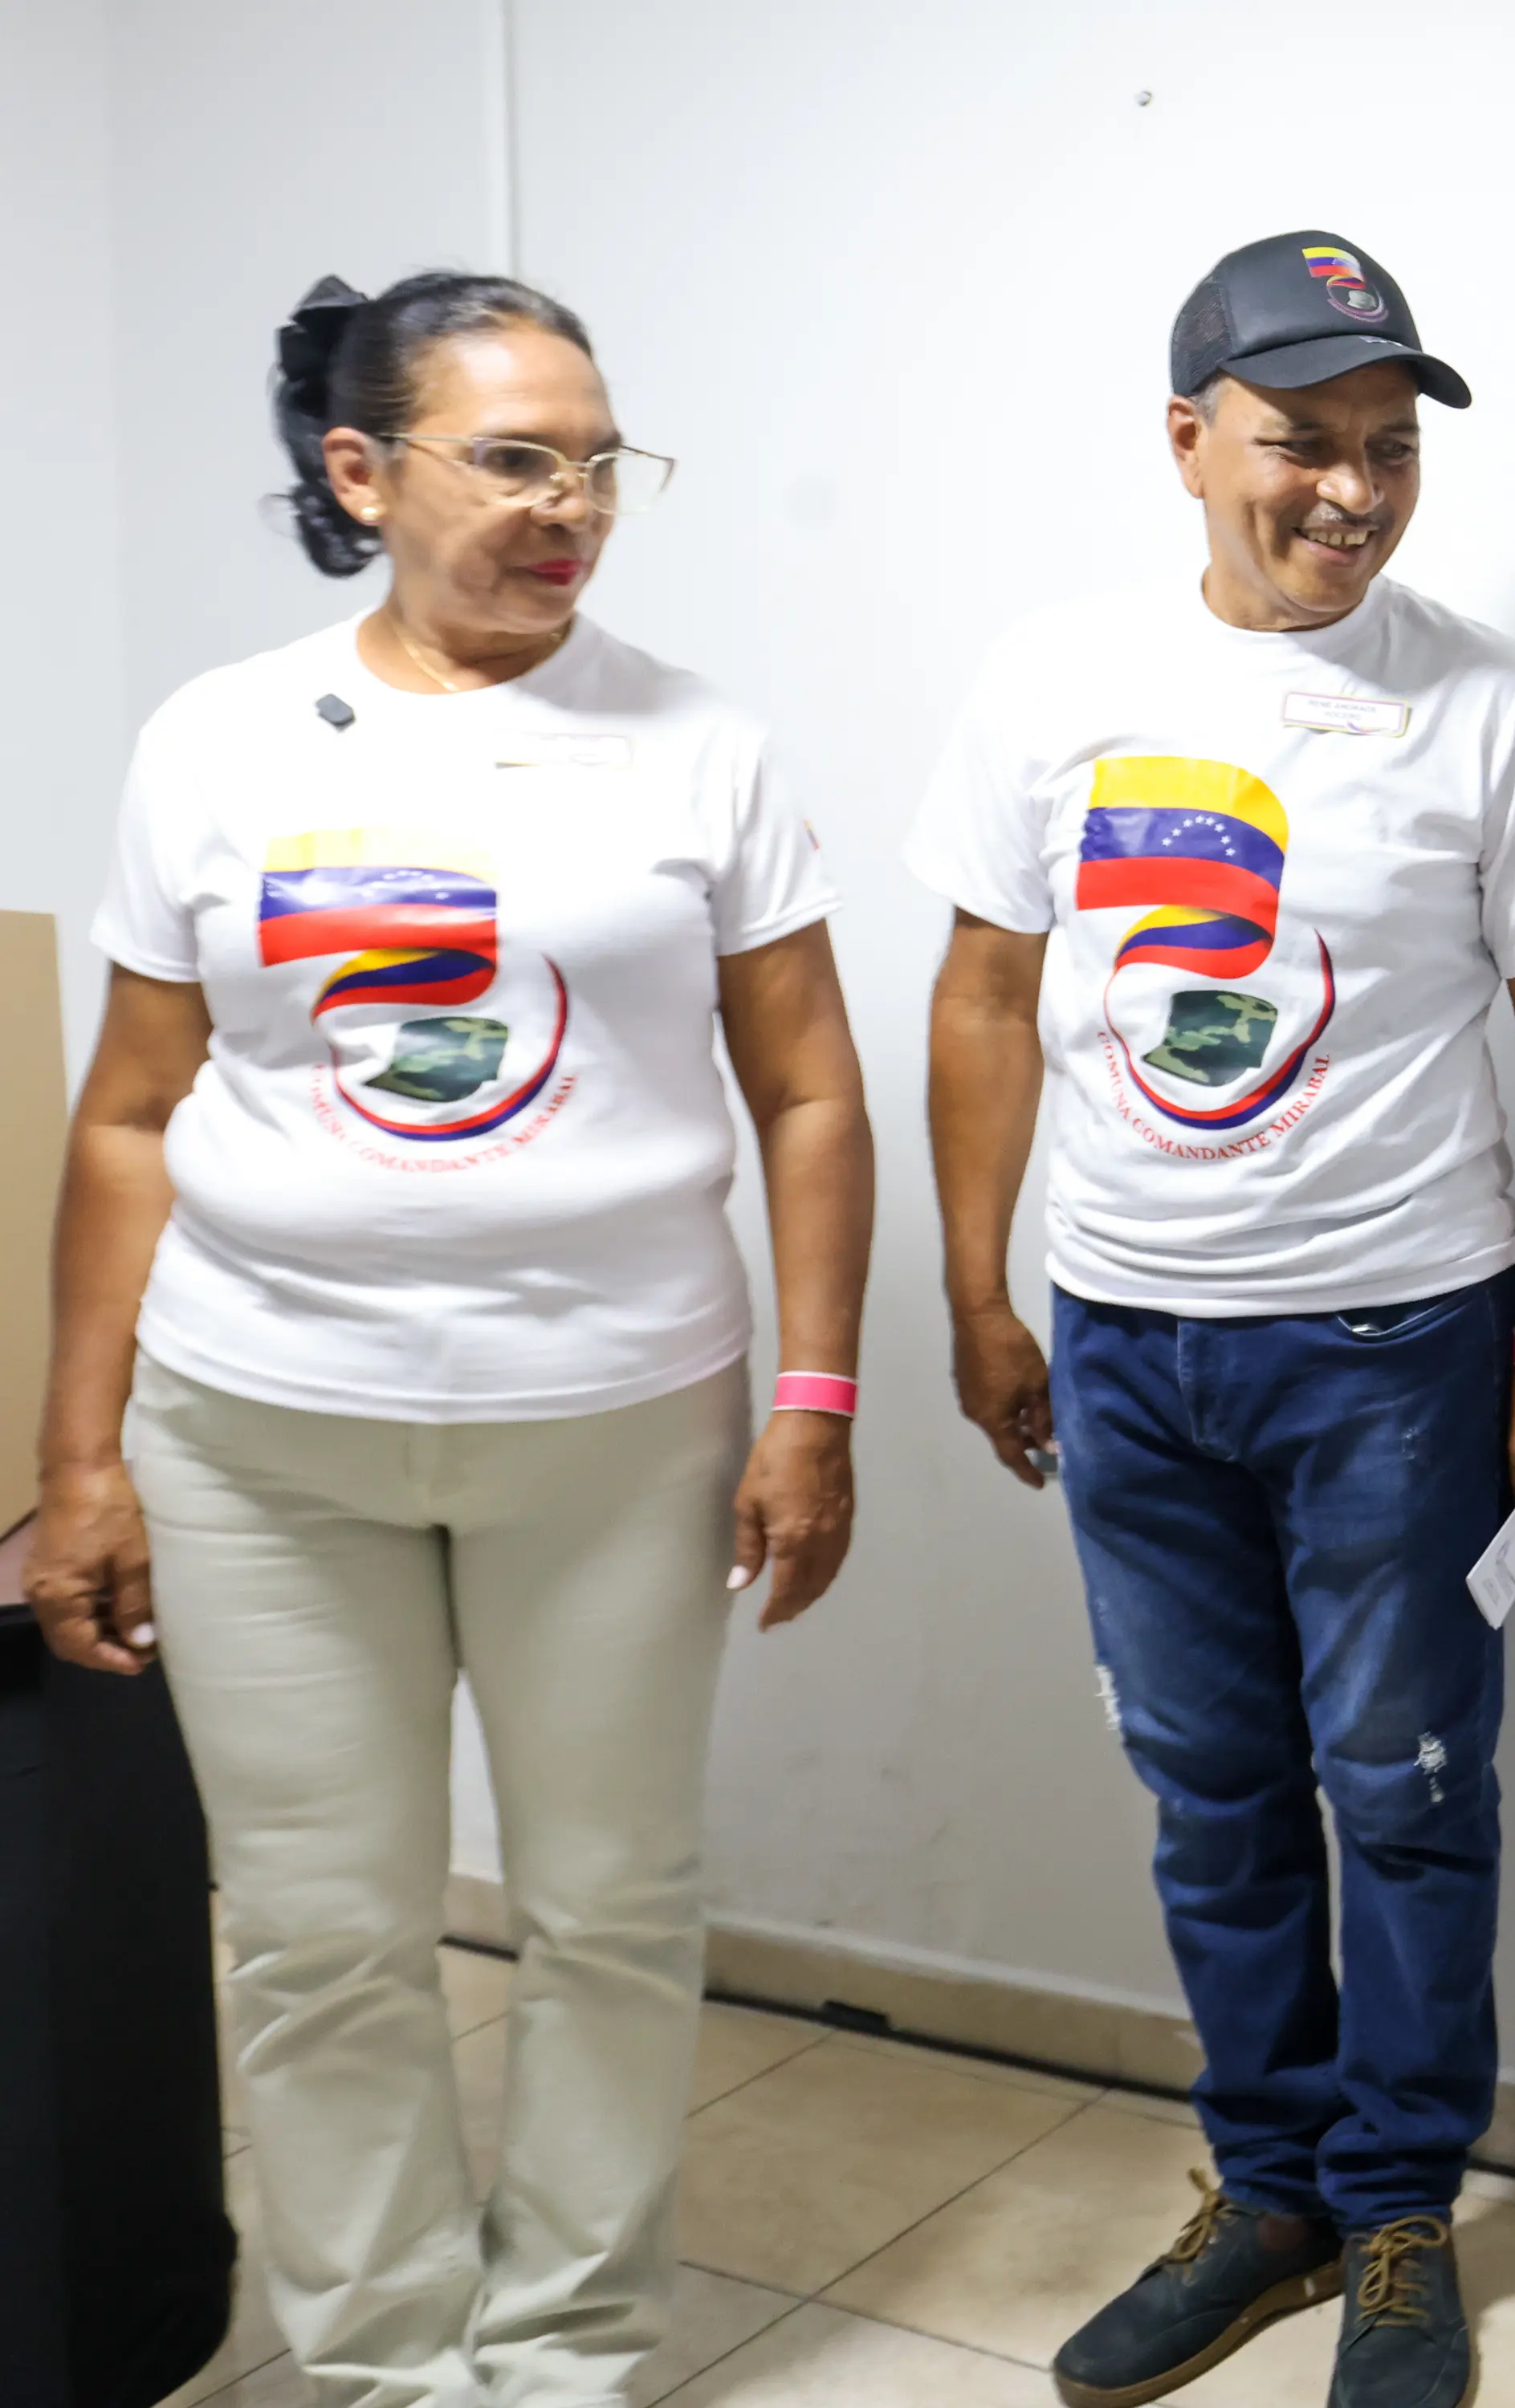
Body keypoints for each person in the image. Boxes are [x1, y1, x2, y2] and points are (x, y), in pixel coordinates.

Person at [24, 271, 874, 2408]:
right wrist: (83, 1461)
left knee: (609, 1914)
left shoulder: (703, 745)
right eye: (516, 458)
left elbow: (810, 1094)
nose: (567, 505)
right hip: (259, 1441)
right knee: (321, 1941)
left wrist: (816, 1401)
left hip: (613, 1433)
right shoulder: (216, 742)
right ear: (361, 472)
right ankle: (391, 2361)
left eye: (598, 462)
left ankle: (572, 2349)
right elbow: (127, 1116)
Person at [911, 229, 1515, 2408]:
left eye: (1387, 448)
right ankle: (1270, 2193)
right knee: (1211, 1791)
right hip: (1127, 1339)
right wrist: (977, 1288)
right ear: (1186, 441)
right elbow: (973, 990)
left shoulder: (1490, 698)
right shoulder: (1055, 681)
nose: (1349, 487)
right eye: (1300, 441)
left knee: (1409, 1787)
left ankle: (1402, 2211)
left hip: (1398, 1351)